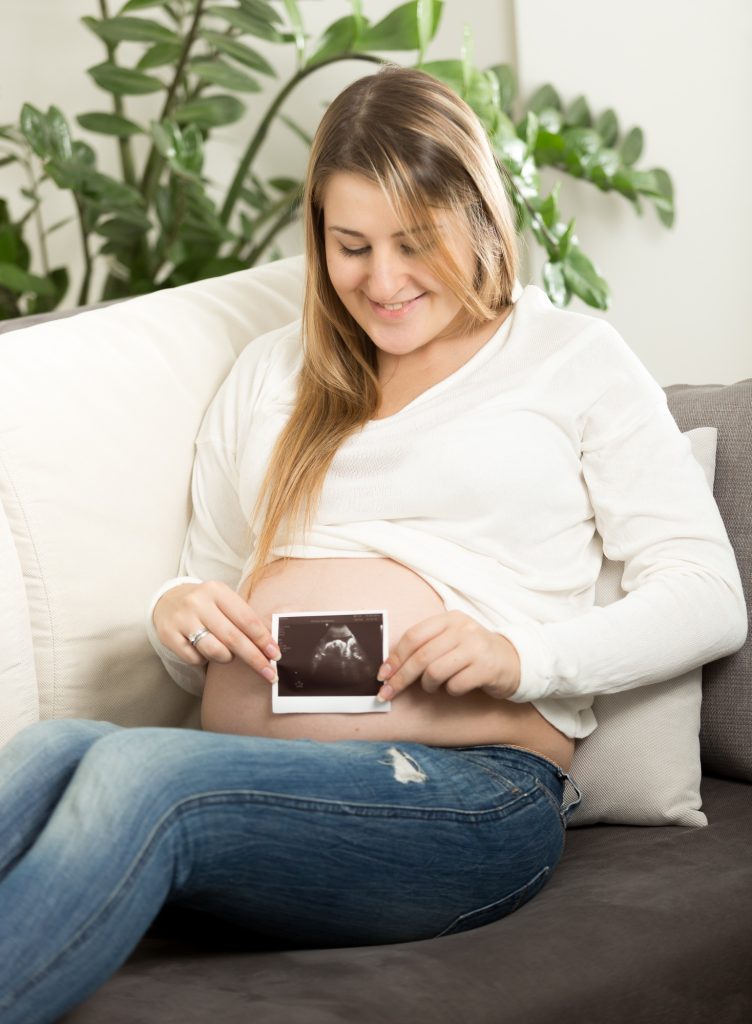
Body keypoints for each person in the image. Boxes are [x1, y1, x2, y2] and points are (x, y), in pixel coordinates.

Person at [0, 65, 746, 1023]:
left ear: (478, 218)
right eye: (351, 246)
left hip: (472, 789)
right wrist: (174, 614)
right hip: (250, 772)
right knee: (59, 747)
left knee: (139, 774)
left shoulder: (571, 360)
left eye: (414, 242)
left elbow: (707, 592)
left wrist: (523, 656)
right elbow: (207, 596)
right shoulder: (271, 373)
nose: (383, 282)